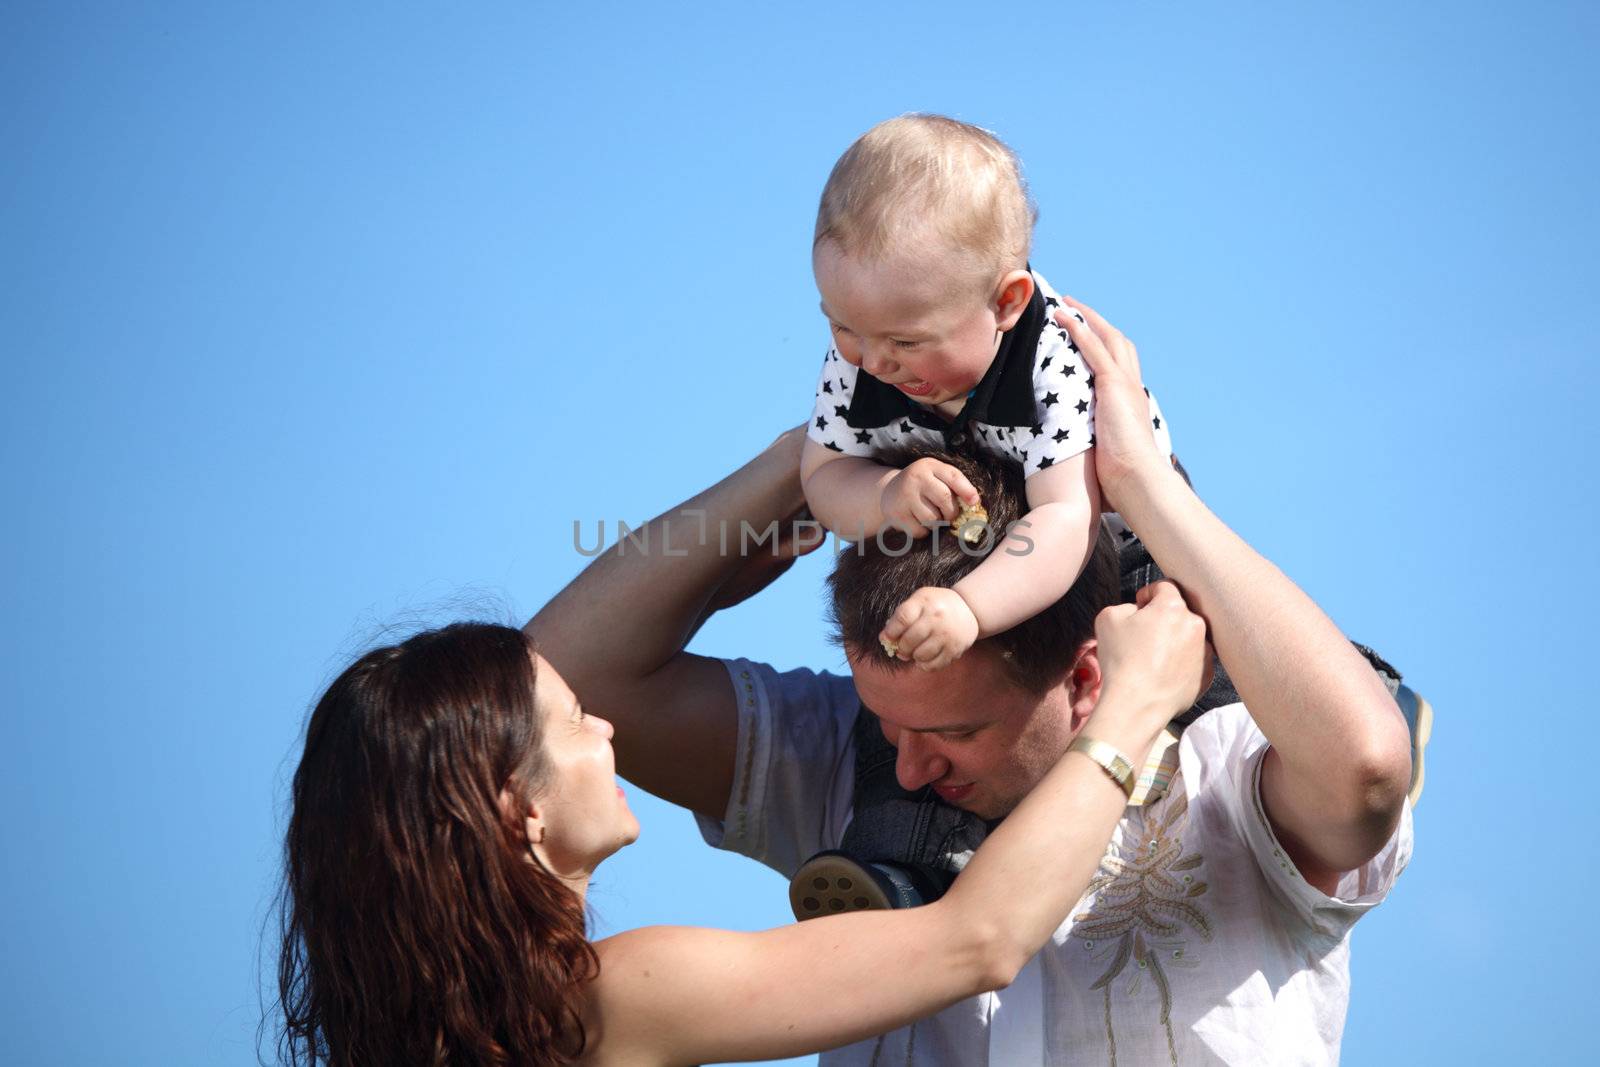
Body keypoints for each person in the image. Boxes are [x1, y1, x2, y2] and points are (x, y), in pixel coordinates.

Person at [530, 299, 1415, 1064]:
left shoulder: (1231, 774)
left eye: (954, 735)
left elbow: (1369, 766)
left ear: (1086, 673)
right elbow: (552, 684)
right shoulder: (856, 758)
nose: (907, 767)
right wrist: (818, 458)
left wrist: (1141, 481)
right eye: (888, 724)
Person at [276, 575, 1212, 1062]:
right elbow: (980, 941)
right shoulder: (609, 999)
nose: (605, 724)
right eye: (571, 722)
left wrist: (797, 474)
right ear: (517, 812)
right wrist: (1134, 707)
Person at [801, 114, 1174, 670]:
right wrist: (883, 494)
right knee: (908, 679)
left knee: (1183, 673)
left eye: (906, 340)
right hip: (965, 540)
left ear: (1006, 304)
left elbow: (1066, 520)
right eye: (843, 327)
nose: (873, 361)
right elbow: (822, 477)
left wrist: (970, 608)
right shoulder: (866, 351)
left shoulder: (1055, 363)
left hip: (1115, 544)